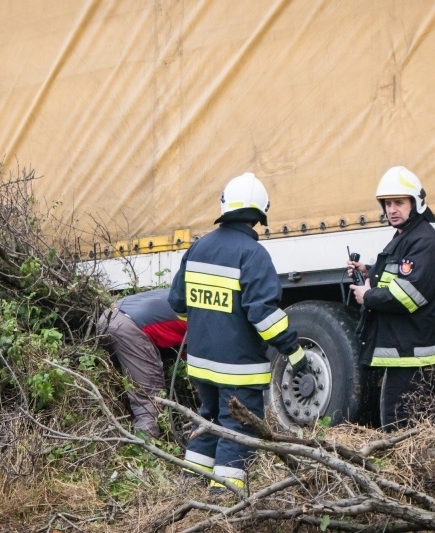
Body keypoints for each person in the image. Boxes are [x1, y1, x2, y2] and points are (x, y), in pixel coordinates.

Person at [168, 172, 307, 496]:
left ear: (225, 207)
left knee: (208, 418)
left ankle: (190, 489)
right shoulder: (253, 255)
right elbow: (264, 316)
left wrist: (206, 325)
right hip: (239, 368)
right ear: (259, 213)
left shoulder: (199, 247)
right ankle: (225, 500)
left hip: (201, 363)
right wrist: (294, 353)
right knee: (237, 425)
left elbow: (177, 302)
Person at [347, 166, 435, 430]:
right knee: (407, 423)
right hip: (409, 348)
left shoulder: (422, 240)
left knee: (400, 425)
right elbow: (396, 275)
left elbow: (410, 295)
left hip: (414, 352)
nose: (392, 209)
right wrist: (367, 271)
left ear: (415, 203)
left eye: (399, 202)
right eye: (387, 204)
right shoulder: (407, 236)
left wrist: (368, 296)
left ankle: (405, 470)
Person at [98, 288, 187, 438]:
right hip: (128, 328)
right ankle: (146, 451)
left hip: (108, 318)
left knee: (126, 387)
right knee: (148, 400)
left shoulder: (182, 294)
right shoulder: (208, 317)